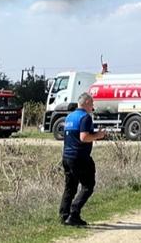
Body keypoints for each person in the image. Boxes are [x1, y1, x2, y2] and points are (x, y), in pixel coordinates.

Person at [59, 93, 107, 227]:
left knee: (70, 187)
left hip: (67, 156)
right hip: (80, 157)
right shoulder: (85, 117)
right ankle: (74, 214)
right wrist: (98, 135)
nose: (93, 107)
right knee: (88, 186)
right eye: (91, 104)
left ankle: (64, 215)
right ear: (86, 103)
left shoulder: (69, 116)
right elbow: (84, 137)